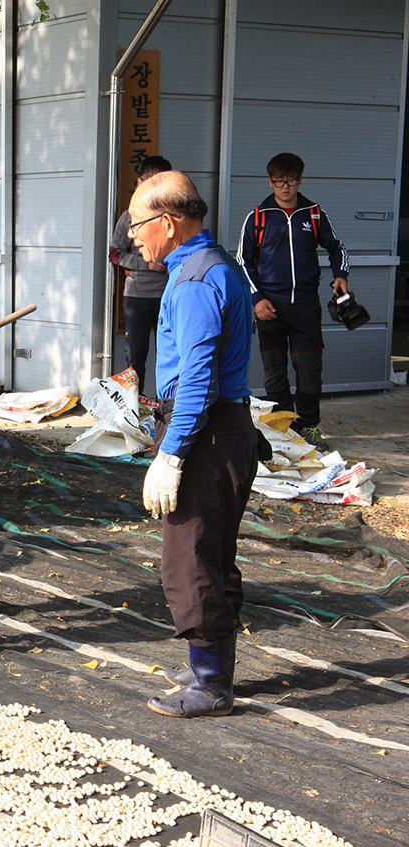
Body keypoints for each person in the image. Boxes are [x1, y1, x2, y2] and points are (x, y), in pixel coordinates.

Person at [128, 170, 258, 718]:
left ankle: (210, 684)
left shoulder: (197, 280)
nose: (131, 235)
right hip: (225, 430)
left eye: (136, 224)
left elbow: (198, 380)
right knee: (213, 553)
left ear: (168, 222)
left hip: (205, 435)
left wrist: (171, 454)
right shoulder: (213, 265)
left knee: (190, 561)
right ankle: (211, 665)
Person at [236, 152, 349, 450]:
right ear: (270, 181)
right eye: (279, 181)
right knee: (275, 376)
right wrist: (256, 299)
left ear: (300, 180)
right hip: (269, 310)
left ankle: (310, 429)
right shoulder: (258, 218)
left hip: (306, 308)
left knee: (310, 373)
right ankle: (284, 432)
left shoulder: (313, 214)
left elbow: (337, 248)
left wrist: (341, 276)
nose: (285, 187)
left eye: (291, 181)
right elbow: (243, 262)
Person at [109, 155, 173, 399]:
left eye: (160, 181)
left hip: (169, 294)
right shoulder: (130, 215)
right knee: (135, 357)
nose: (152, 187)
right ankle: (134, 408)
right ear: (138, 182)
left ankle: (165, 409)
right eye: (147, 181)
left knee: (169, 356)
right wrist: (147, 264)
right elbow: (115, 253)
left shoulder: (174, 217)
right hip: (137, 296)